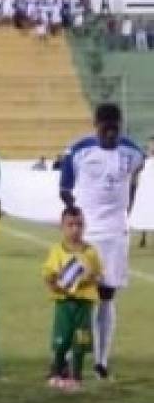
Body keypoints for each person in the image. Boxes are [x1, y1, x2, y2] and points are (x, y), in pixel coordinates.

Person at [58, 103, 145, 378]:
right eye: (105, 126)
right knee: (73, 295)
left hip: (115, 236)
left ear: (121, 125)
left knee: (107, 297)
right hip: (85, 237)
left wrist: (124, 211)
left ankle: (101, 361)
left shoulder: (133, 152)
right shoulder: (78, 151)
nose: (110, 132)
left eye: (115, 126)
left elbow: (135, 182)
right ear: (95, 125)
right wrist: (78, 223)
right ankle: (69, 354)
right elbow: (65, 191)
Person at [41, 207, 103, 391]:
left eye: (80, 225)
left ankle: (76, 377)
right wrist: (55, 282)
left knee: (80, 341)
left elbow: (99, 275)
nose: (75, 229)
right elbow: (48, 275)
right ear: (62, 226)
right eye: (71, 225)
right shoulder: (57, 251)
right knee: (62, 340)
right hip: (64, 303)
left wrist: (88, 278)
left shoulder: (90, 252)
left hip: (83, 305)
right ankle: (57, 373)